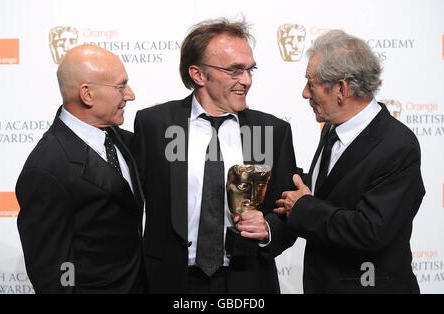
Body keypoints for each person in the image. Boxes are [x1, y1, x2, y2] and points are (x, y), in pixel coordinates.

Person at [134, 18, 297, 293]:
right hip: (171, 282)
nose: (246, 80)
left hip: (248, 281)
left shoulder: (272, 131)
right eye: (235, 70)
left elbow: (289, 213)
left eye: (249, 70)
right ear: (198, 74)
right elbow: (130, 208)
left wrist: (268, 229)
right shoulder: (154, 125)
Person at [274, 30, 425, 293]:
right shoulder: (333, 128)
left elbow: (370, 230)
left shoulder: (398, 146)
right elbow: (335, 191)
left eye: (311, 83)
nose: (304, 93)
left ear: (341, 89)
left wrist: (303, 207)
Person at [16, 44, 146, 293]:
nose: (130, 94)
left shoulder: (123, 140)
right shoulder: (47, 168)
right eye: (121, 86)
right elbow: (53, 274)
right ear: (87, 94)